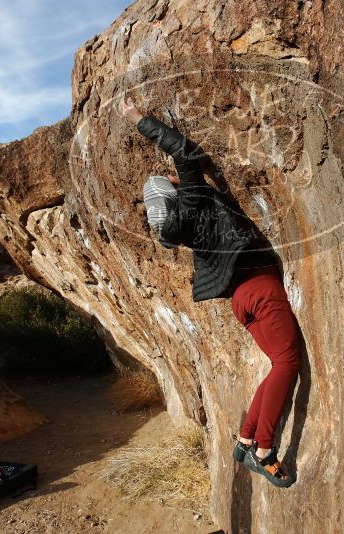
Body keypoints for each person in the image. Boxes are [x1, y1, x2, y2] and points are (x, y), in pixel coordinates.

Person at [119, 96, 301, 488]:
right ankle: (264, 451)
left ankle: (244, 438)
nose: (173, 178)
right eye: (168, 182)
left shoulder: (175, 229)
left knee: (276, 364)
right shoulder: (194, 200)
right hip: (260, 287)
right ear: (173, 195)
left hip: (240, 299)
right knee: (288, 364)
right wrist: (138, 119)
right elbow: (184, 152)